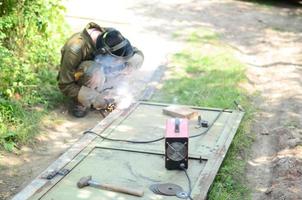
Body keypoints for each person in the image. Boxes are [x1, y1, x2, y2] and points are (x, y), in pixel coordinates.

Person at [58, 22, 144, 117]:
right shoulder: (75, 49)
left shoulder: (110, 37)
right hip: (82, 77)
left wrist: (130, 65)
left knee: (122, 64)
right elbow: (65, 85)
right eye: (115, 59)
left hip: (100, 76)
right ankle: (81, 102)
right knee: (93, 69)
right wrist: (99, 100)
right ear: (102, 52)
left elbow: (136, 53)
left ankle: (104, 91)